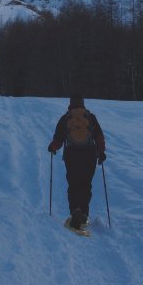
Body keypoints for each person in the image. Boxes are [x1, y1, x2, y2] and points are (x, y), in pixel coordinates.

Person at [47, 96, 106, 230]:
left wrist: (52, 147)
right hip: (89, 155)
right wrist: (101, 152)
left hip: (72, 155)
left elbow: (59, 139)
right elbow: (99, 137)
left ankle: (75, 211)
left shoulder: (66, 118)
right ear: (83, 104)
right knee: (86, 185)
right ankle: (84, 214)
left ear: (70, 104)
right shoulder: (90, 117)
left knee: (73, 185)